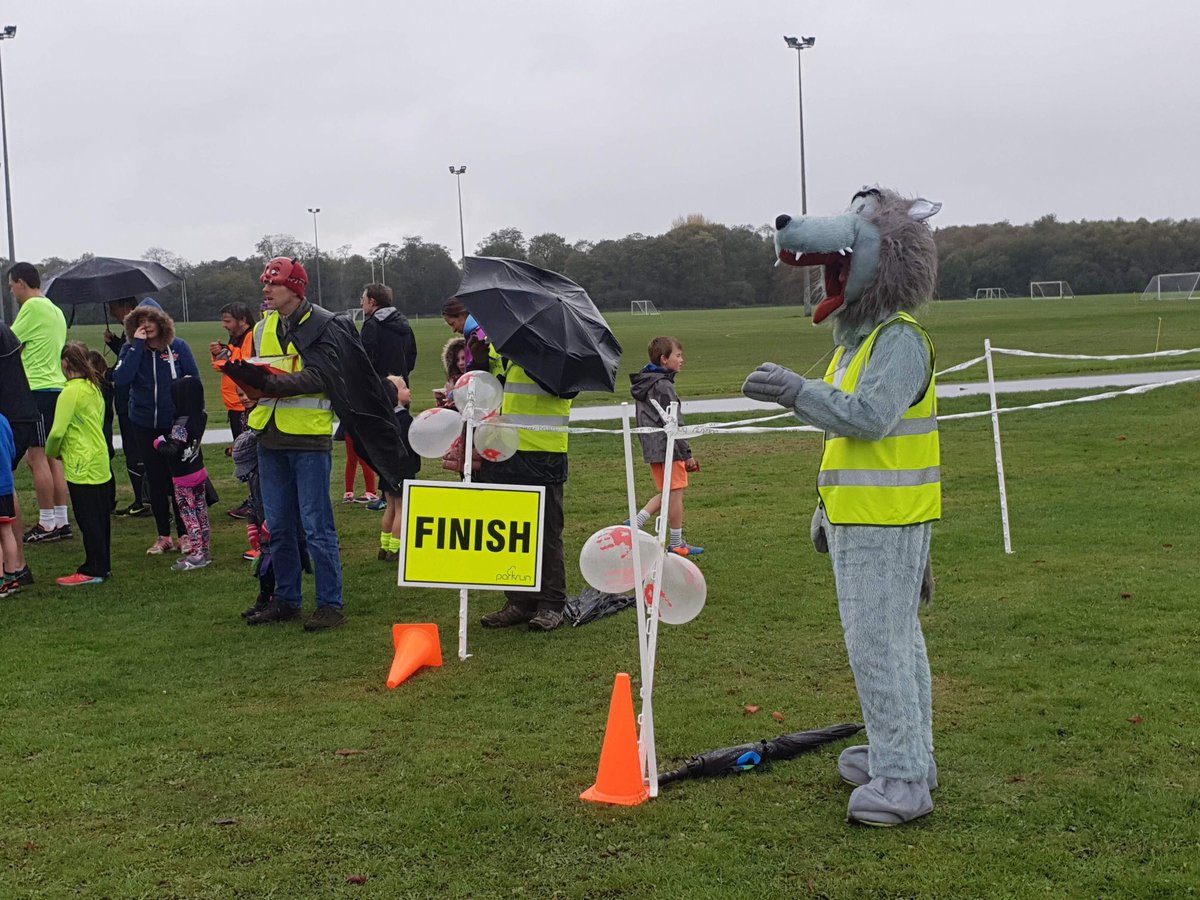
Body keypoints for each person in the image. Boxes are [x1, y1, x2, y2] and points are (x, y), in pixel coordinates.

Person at [223, 257, 411, 632]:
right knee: (277, 526)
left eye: (273, 283)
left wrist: (266, 385)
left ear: (295, 288)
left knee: (316, 525)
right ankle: (287, 599)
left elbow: (321, 377)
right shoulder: (263, 328)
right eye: (265, 283)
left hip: (308, 439)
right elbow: (263, 371)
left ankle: (330, 604)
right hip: (269, 435)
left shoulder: (326, 325)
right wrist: (248, 385)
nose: (265, 289)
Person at [473, 338, 574, 632]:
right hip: (504, 450)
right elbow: (488, 393)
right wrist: (479, 365)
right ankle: (519, 600)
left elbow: (567, 388)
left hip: (544, 452)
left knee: (547, 532)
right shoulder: (497, 345)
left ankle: (552, 604)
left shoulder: (560, 347)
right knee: (512, 531)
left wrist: (530, 357)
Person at [113, 302, 201, 555]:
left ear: (162, 322)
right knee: (155, 480)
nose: (146, 324)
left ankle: (186, 534)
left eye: (151, 319)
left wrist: (191, 419)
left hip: (174, 424)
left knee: (179, 479)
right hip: (143, 424)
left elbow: (194, 382)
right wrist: (137, 346)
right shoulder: (131, 349)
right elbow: (121, 380)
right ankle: (164, 535)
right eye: (141, 319)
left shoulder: (179, 347)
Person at [8, 262, 71, 544]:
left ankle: (47, 523)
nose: (11, 291)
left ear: (21, 282)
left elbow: (8, 342)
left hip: (37, 388)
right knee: (52, 457)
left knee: (36, 459)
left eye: (11, 285)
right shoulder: (54, 309)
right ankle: (60, 519)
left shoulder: (32, 307)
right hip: (56, 386)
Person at [45, 342, 113, 586]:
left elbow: (56, 433)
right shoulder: (93, 388)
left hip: (81, 462)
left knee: (88, 518)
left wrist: (52, 452)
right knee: (101, 517)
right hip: (99, 458)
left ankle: (93, 568)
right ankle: (103, 564)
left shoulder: (70, 392)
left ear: (65, 363)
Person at [630, 336, 703, 556]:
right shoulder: (662, 385)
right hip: (667, 446)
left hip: (654, 447)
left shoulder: (648, 381)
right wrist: (687, 453)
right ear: (664, 359)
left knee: (669, 492)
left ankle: (634, 523)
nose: (682, 360)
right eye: (678, 355)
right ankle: (676, 542)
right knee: (675, 494)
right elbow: (673, 422)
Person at [154, 376, 212, 571]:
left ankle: (196, 555)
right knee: (201, 513)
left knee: (189, 515)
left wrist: (159, 443)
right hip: (199, 470)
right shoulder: (201, 416)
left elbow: (173, 450)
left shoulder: (180, 424)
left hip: (183, 478)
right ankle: (205, 550)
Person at [209, 301, 257, 521]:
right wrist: (221, 354)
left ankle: (255, 500)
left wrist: (224, 358)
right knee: (245, 455)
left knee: (249, 455)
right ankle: (254, 498)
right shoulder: (237, 338)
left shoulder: (251, 337)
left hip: (245, 404)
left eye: (227, 320)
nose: (224, 325)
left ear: (242, 320)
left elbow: (244, 367)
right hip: (235, 404)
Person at [104, 297, 149, 516]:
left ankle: (144, 499)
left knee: (135, 449)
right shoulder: (128, 331)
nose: (111, 311)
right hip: (126, 401)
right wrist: (114, 343)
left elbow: (130, 363)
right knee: (134, 449)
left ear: (125, 307)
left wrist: (109, 374)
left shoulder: (136, 330)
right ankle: (142, 498)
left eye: (113, 306)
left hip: (130, 401)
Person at [0, 321, 36, 587]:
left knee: (5, 489)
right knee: (5, 487)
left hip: (9, 416)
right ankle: (16, 566)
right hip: (17, 414)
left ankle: (16, 566)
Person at [376, 375, 420, 561]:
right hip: (404, 469)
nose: (409, 390)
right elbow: (412, 444)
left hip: (387, 470)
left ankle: (384, 545)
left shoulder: (383, 418)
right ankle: (396, 547)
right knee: (402, 509)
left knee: (390, 508)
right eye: (404, 388)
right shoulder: (404, 420)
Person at [86, 349, 118, 514]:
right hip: (106, 426)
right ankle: (109, 500)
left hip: (99, 427)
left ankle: (105, 500)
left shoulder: (96, 387)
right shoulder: (106, 385)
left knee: (102, 464)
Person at [0, 412, 22, 596]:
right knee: (7, 532)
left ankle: (0, 583)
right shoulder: (4, 420)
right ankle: (12, 576)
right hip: (7, 487)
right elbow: (13, 450)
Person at [441, 296, 489, 372]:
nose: (454, 330)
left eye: (453, 324)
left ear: (462, 314)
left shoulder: (477, 336)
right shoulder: (479, 331)